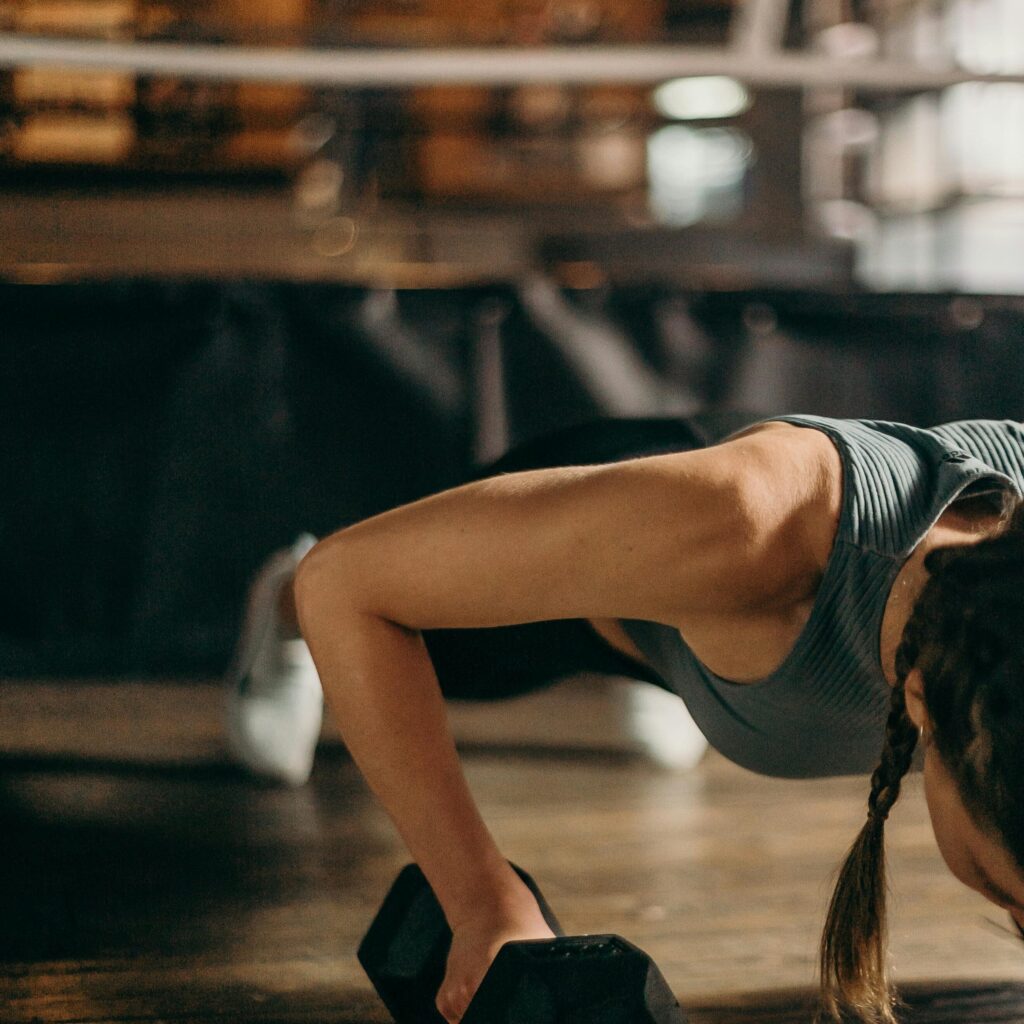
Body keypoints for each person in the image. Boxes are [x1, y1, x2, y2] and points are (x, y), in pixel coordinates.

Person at [231, 412, 1024, 1024]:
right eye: (1013, 902)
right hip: (657, 510)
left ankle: (681, 663)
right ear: (921, 702)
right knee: (350, 596)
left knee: (705, 613)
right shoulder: (754, 532)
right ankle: (275, 598)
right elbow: (348, 584)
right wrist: (481, 901)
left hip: (716, 576)